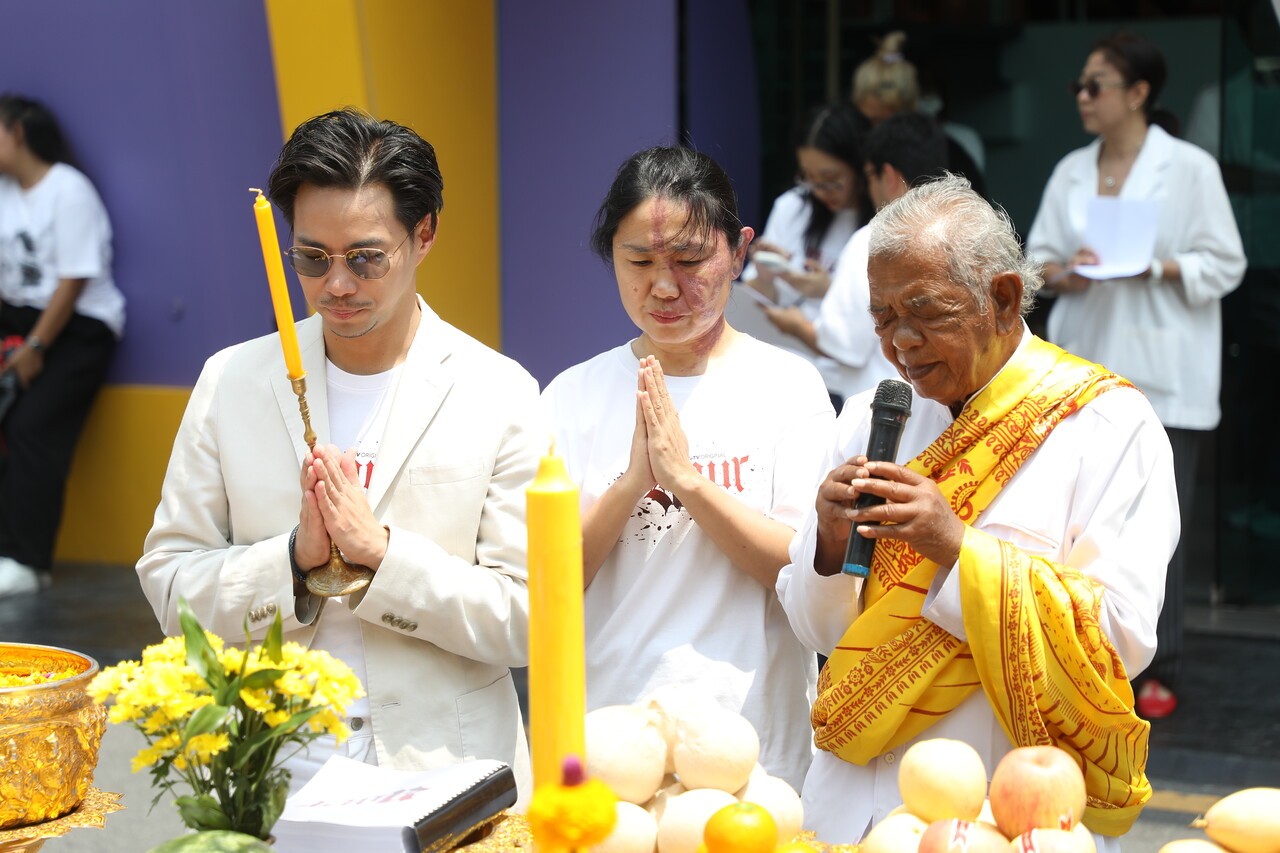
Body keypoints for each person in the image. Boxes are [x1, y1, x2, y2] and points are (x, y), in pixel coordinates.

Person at [137, 108, 541, 803]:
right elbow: (171, 587)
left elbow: (530, 615)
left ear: (424, 234)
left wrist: (382, 555)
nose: (337, 285)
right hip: (279, 774)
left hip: (448, 774)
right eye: (312, 258)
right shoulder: (231, 381)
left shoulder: (498, 390)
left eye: (365, 257)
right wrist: (294, 561)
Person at [778, 175, 1178, 848]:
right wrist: (829, 543)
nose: (901, 342)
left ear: (1004, 298)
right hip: (851, 805)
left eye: (925, 312)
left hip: (1000, 808)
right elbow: (820, 632)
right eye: (883, 318)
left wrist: (958, 550)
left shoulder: (1107, 424)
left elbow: (1120, 642)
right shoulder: (872, 416)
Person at [542, 146, 835, 790]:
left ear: (740, 251)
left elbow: (801, 571)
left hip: (752, 744)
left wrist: (688, 483)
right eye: (640, 262)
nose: (665, 287)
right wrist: (632, 485)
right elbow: (549, 586)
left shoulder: (788, 387)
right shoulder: (572, 394)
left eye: (690, 260)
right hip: (609, 741)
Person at [1027, 31, 1246, 720]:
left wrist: (1155, 266)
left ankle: (1160, 663)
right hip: (1085, 367)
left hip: (1166, 371)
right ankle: (1079, 656)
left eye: (1096, 85)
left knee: (1160, 526)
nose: (1083, 97)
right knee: (1079, 520)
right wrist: (1067, 272)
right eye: (1079, 86)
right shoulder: (1071, 169)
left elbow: (1226, 261)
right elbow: (1035, 261)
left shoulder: (1188, 168)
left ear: (1139, 93)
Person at [0, 94, 125, 598]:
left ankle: (27, 563)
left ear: (18, 133)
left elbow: (74, 280)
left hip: (77, 326)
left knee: (31, 427)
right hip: (18, 318)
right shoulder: (4, 192)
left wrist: (34, 347)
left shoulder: (68, 190)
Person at [763, 112, 948, 402]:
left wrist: (796, 326)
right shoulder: (962, 229)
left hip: (886, 405)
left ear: (887, 176)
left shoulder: (874, 240)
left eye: (868, 176)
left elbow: (843, 342)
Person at [733, 104, 870, 407]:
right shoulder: (794, 207)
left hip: (841, 383)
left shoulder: (874, 225)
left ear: (860, 167)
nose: (821, 190)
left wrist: (828, 289)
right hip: (779, 372)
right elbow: (756, 299)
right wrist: (767, 275)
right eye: (809, 178)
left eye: (831, 179)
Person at [850, 31, 987, 199]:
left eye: (888, 122)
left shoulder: (947, 155)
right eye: (871, 121)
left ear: (910, 110)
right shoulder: (854, 154)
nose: (878, 131)